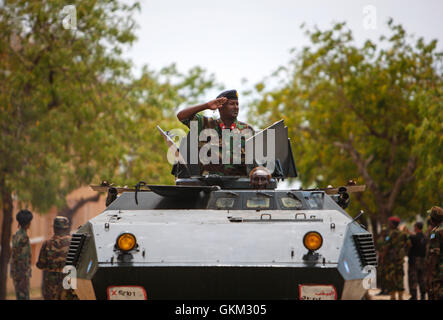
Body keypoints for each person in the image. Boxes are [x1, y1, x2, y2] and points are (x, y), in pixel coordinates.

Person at [176, 89, 255, 176]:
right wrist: (206, 105)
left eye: (237, 104)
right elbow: (181, 116)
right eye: (232, 104)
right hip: (210, 184)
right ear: (220, 107)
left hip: (238, 185)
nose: (236, 107)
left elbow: (256, 161)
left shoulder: (247, 130)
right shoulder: (205, 124)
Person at [36, 216, 78, 300]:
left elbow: (40, 265)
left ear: (54, 228)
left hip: (51, 285)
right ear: (66, 228)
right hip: (69, 282)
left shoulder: (47, 244)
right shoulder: (74, 242)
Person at [380, 216, 411, 300]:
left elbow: (386, 247)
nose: (388, 224)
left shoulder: (390, 234)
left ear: (393, 224)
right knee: (400, 277)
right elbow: (409, 244)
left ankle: (393, 297)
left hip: (391, 260)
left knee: (391, 278)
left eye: (390, 223)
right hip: (400, 260)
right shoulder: (403, 234)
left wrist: (382, 258)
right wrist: (403, 251)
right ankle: (401, 297)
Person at [10, 209, 33, 300]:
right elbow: (22, 257)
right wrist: (25, 273)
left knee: (19, 295)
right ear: (27, 223)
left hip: (16, 271)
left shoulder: (16, 234)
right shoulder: (23, 237)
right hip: (22, 272)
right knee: (24, 296)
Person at [407, 222, 427, 300]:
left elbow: (409, 245)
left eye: (414, 227)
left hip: (414, 261)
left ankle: (414, 296)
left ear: (416, 227)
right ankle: (423, 296)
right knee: (422, 279)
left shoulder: (413, 238)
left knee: (413, 279)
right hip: (423, 260)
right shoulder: (425, 237)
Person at [427, 206, 443, 300]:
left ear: (433, 218)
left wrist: (429, 276)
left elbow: (434, 255)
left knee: (436, 294)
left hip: (438, 272)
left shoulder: (436, 232)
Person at [375, 224, 388, 295]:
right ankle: (382, 289)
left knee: (386, 275)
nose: (384, 233)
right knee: (381, 275)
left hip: (386, 260)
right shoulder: (380, 240)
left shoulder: (388, 239)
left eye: (385, 231)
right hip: (380, 260)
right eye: (383, 231)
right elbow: (377, 249)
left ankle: (387, 290)